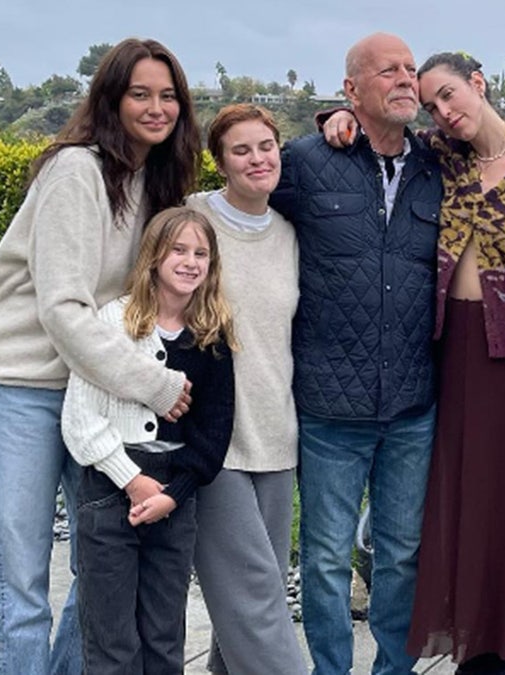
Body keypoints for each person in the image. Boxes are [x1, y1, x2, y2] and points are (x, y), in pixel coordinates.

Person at [324, 50, 505, 675]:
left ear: (478, 84)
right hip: (446, 348)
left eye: (450, 96)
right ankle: (467, 638)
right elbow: (378, 129)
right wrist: (336, 116)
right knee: (453, 501)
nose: (444, 112)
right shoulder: (440, 153)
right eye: (432, 105)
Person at [0, 38, 199, 675]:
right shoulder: (77, 172)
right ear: (111, 99)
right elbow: (62, 311)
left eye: (168, 95)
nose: (157, 107)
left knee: (102, 569)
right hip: (27, 391)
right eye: (140, 94)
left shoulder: (158, 180)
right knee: (22, 584)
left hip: (95, 395)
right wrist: (152, 384)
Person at [268, 33, 442, 675]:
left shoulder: (436, 165)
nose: (405, 78)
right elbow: (242, 201)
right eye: (388, 70)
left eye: (410, 69)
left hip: (412, 407)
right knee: (323, 556)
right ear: (350, 90)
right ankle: (330, 670)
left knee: (400, 553)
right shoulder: (307, 162)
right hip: (328, 410)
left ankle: (392, 669)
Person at [61, 207, 236, 674]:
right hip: (109, 491)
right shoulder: (112, 323)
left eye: (201, 253)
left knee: (163, 638)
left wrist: (172, 496)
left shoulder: (210, 336)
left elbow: (215, 432)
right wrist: (133, 481)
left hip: (175, 499)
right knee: (112, 642)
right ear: (154, 256)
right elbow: (81, 417)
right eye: (178, 249)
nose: (189, 261)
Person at [186, 104, 305, 674]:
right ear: (220, 163)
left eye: (266, 146)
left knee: (255, 597)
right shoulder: (192, 223)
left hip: (276, 435)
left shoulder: (288, 234)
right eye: (241, 150)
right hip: (214, 438)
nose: (258, 159)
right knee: (255, 597)